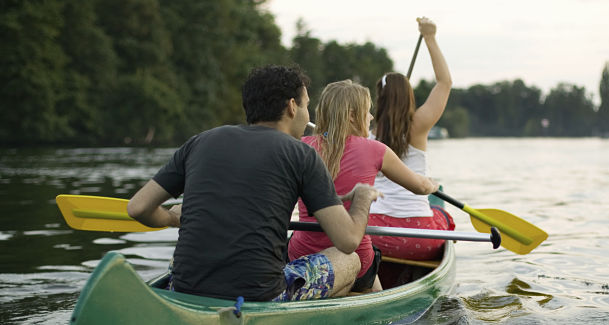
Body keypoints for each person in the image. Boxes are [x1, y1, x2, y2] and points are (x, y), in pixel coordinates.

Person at [126, 65, 382, 302]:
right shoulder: (302, 154)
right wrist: (361, 198)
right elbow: (348, 240)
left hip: (184, 288)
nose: (307, 116)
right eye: (306, 106)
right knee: (348, 259)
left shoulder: (199, 141)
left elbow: (138, 208)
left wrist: (172, 217)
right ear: (292, 107)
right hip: (260, 295)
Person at [287, 80, 439, 292]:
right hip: (357, 257)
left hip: (303, 254)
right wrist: (432, 185)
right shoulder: (376, 150)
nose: (371, 118)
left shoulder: (300, 146)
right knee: (374, 282)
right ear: (351, 115)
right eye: (367, 112)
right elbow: (419, 187)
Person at [368, 17, 454, 260]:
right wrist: (430, 37)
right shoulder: (419, 125)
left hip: (375, 234)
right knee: (442, 214)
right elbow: (445, 83)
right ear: (409, 96)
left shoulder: (365, 133)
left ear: (379, 98)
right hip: (419, 236)